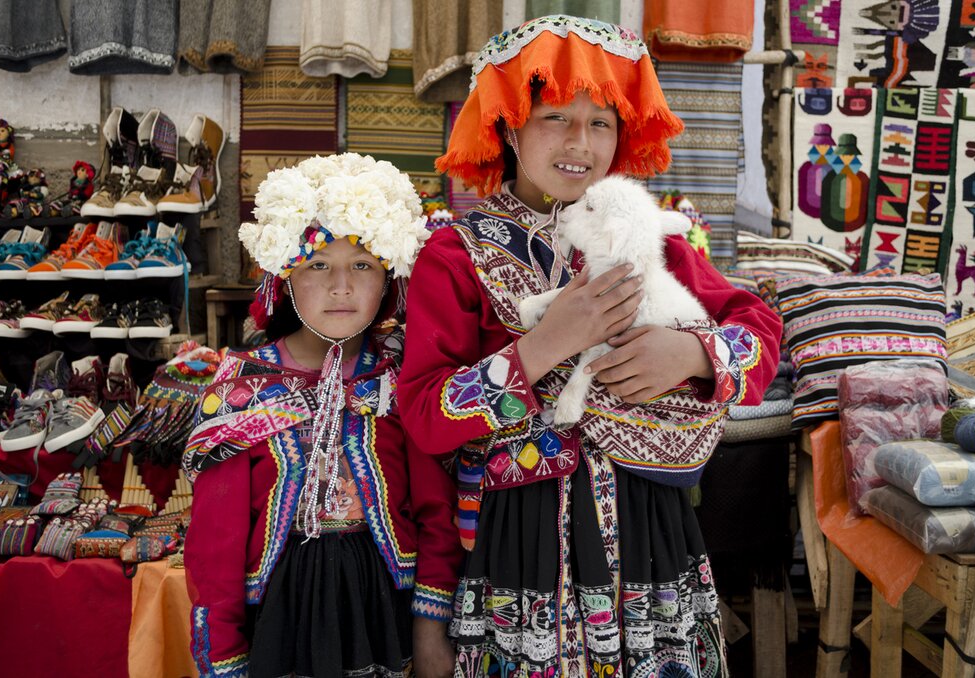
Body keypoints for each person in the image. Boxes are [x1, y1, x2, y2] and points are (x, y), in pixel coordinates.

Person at [397, 15, 783, 677]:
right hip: (518, 541)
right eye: (556, 118)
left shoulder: (648, 237)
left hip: (649, 530)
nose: (582, 143)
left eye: (601, 122)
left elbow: (758, 327)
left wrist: (690, 355)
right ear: (510, 125)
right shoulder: (455, 255)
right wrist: (542, 347)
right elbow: (426, 418)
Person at [183, 153, 463, 678]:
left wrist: (431, 625)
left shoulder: (402, 381)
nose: (342, 286)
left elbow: (435, 512)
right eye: (318, 265)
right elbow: (213, 544)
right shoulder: (245, 385)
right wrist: (222, 655)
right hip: (280, 609)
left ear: (389, 279)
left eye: (362, 265)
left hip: (383, 604)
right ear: (284, 277)